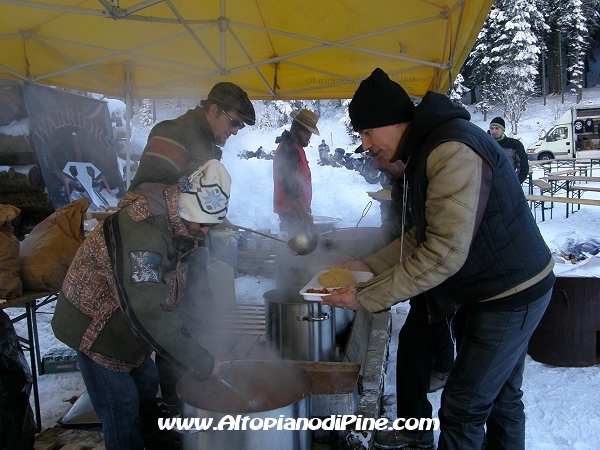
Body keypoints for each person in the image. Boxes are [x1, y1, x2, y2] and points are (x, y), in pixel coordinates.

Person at [323, 68, 554, 450]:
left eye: (366, 132)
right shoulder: (429, 148)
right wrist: (368, 267)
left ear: (394, 122)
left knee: (463, 408)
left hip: (510, 294)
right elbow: (424, 234)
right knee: (501, 400)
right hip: (499, 289)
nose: (365, 145)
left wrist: (364, 296)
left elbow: (443, 252)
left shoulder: (450, 150)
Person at [51, 160, 232, 450]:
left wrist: (200, 339)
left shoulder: (179, 219)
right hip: (98, 329)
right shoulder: (143, 232)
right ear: (185, 211)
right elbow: (146, 308)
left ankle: (157, 441)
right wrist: (199, 360)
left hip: (127, 323)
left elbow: (178, 288)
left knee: (146, 386)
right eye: (203, 224)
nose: (206, 232)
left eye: (212, 225)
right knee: (122, 409)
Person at [360, 144, 456, 447]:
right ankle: (441, 370)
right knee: (430, 329)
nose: (375, 166)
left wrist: (374, 292)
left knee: (415, 347)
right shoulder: (407, 177)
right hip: (433, 274)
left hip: (443, 275)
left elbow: (431, 244)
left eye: (377, 155)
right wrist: (373, 264)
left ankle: (416, 432)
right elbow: (410, 234)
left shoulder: (430, 171)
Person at [130, 82, 255, 190]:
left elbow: (202, 206)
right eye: (234, 123)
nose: (235, 131)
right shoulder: (172, 134)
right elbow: (150, 196)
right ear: (213, 110)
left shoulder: (208, 146)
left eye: (240, 126)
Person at [272, 108, 320, 236]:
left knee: (303, 244)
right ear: (296, 129)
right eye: (306, 132)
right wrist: (303, 211)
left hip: (295, 208)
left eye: (310, 133)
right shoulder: (289, 148)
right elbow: (289, 184)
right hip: (292, 209)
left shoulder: (294, 145)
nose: (309, 136)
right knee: (301, 245)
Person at [489, 116, 529, 184]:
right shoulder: (486, 144)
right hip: (489, 186)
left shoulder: (514, 145)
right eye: (492, 128)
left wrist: (516, 183)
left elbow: (523, 166)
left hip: (508, 184)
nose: (494, 131)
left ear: (503, 130)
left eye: (497, 128)